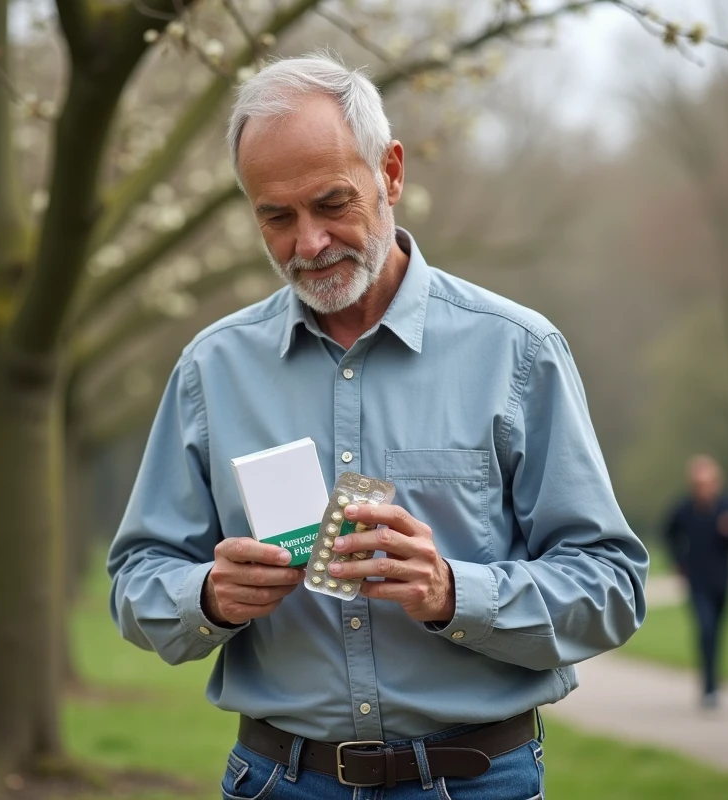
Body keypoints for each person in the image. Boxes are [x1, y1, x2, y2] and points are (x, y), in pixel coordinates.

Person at [107, 54, 648, 799]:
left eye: (332, 203)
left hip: (477, 781)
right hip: (278, 781)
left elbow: (611, 585)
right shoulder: (212, 370)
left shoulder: (518, 353)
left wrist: (456, 592)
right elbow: (136, 580)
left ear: (390, 172)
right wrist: (207, 595)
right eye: (276, 217)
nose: (309, 243)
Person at [663, 455, 728, 709]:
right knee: (705, 629)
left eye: (709, 482)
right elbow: (668, 534)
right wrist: (679, 563)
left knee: (717, 633)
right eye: (699, 483)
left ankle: (712, 682)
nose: (704, 488)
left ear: (717, 483)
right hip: (696, 582)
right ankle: (709, 687)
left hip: (722, 582)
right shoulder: (684, 509)